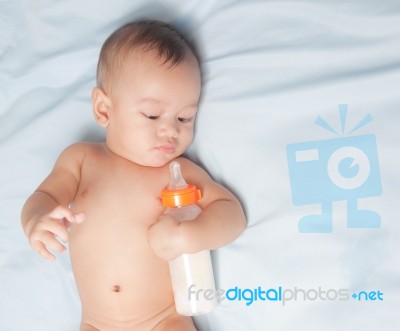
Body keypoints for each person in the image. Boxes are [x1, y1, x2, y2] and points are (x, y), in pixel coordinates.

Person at [21, 20, 246, 331]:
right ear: (104, 110)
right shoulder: (82, 159)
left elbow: (231, 213)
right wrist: (36, 220)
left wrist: (189, 236)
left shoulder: (178, 172)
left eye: (185, 117)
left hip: (164, 320)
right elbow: (44, 197)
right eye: (152, 115)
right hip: (95, 324)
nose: (171, 129)